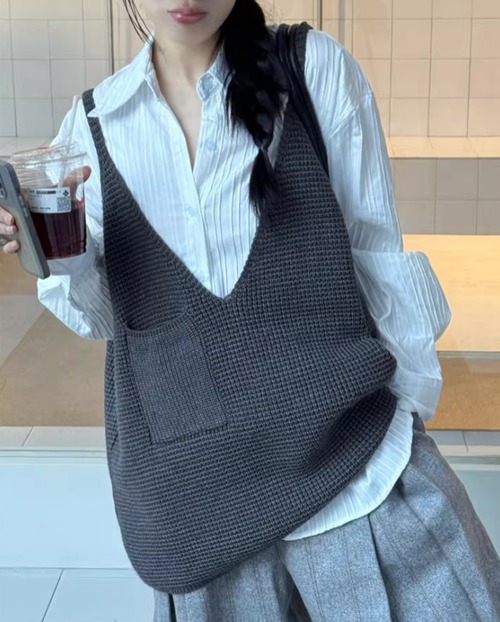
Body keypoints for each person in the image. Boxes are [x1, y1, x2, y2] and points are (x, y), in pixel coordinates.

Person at [2, 1, 500, 620]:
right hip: (200, 509)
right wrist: (61, 258)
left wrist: (403, 423)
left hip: (355, 477)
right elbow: (106, 318)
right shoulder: (93, 123)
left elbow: (377, 254)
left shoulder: (311, 69)